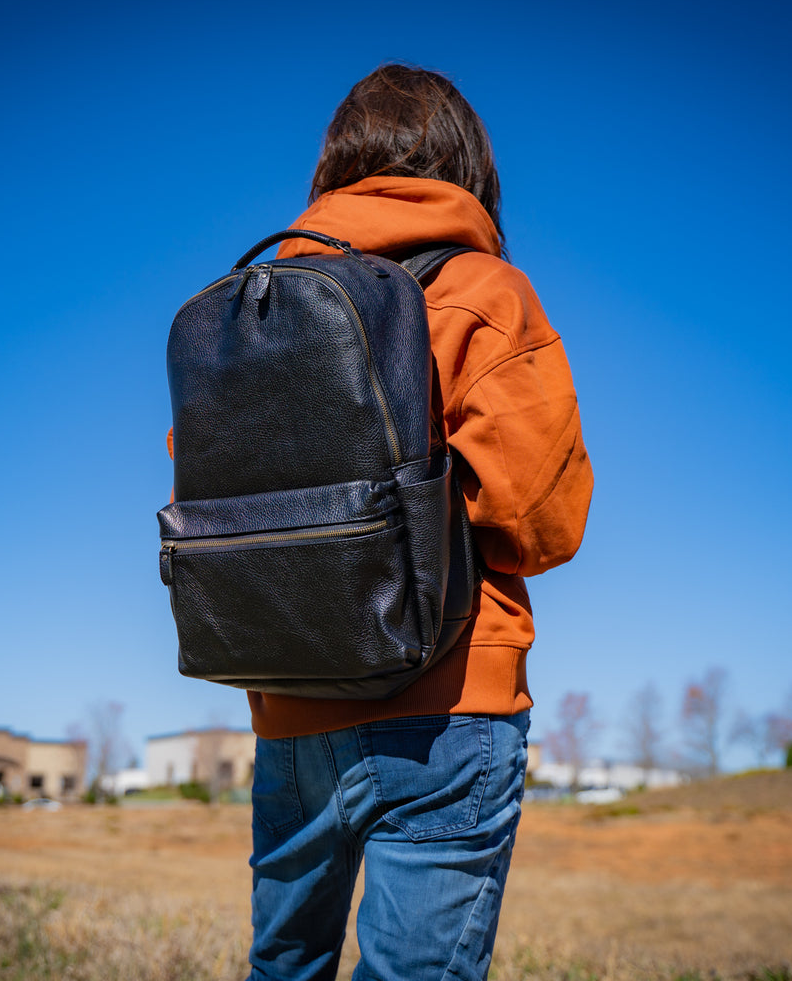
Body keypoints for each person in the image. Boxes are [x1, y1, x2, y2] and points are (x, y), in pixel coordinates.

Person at [235, 64, 593, 981]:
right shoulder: (483, 292)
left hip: (289, 707)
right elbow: (538, 522)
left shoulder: (257, 307)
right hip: (448, 708)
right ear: (467, 166)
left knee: (283, 968)